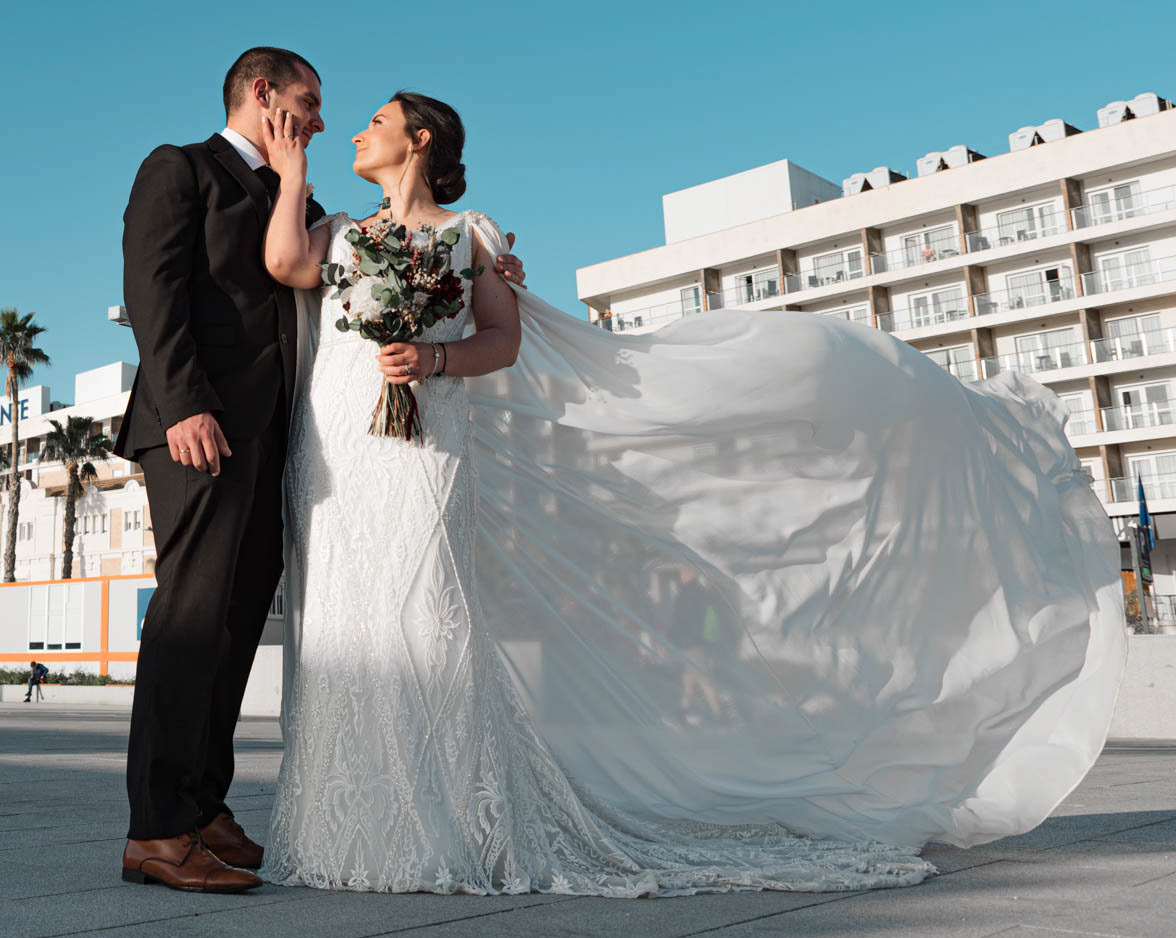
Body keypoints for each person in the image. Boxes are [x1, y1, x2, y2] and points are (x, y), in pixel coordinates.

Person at [249, 91, 1122, 896]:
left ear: (421, 137)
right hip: (340, 447)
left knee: (422, 606)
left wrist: (433, 358)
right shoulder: (338, 229)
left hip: (427, 441)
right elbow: (284, 260)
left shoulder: (472, 236)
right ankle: (350, 832)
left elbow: (503, 344)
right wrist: (291, 177)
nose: (357, 131)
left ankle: (441, 829)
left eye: (374, 119)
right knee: (345, 617)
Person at [115, 48, 527, 893]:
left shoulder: (303, 203)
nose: (325, 121)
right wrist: (187, 401)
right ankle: (157, 829)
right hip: (197, 428)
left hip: (288, 448)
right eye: (310, 101)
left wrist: (481, 272)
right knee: (191, 622)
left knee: (232, 628)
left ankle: (200, 806)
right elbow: (154, 293)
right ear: (264, 94)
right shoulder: (182, 169)